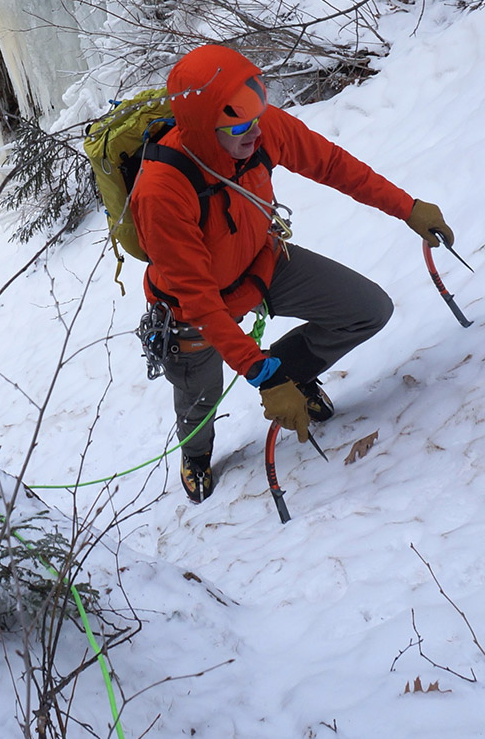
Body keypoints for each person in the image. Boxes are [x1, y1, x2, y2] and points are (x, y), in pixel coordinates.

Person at [129, 43, 453, 502]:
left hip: (263, 263)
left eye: (256, 116)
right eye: (238, 125)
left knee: (367, 309)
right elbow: (200, 299)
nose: (255, 133)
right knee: (199, 407)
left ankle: (294, 371)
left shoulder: (261, 131)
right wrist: (261, 375)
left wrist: (407, 208)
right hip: (192, 313)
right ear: (203, 128)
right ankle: (196, 457)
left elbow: (334, 166)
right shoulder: (162, 192)